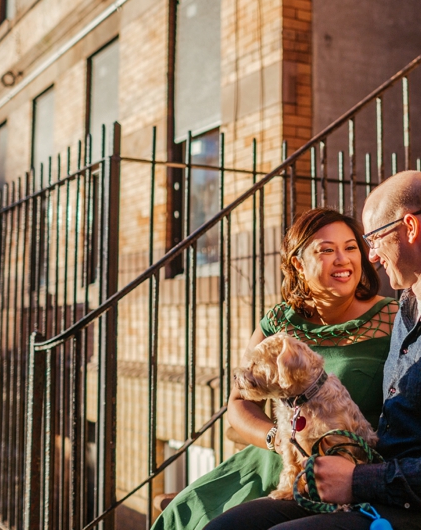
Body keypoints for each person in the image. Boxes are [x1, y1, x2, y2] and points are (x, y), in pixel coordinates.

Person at [207, 171, 421, 529]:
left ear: (409, 227)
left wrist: (357, 480)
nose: (371, 256)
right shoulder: (410, 307)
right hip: (386, 493)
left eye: (374, 238)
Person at [153, 208, 398, 530]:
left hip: (347, 471)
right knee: (187, 514)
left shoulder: (393, 318)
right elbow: (239, 403)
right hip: (274, 463)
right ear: (298, 263)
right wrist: (277, 439)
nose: (342, 259)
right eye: (326, 250)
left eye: (350, 247)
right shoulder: (279, 322)